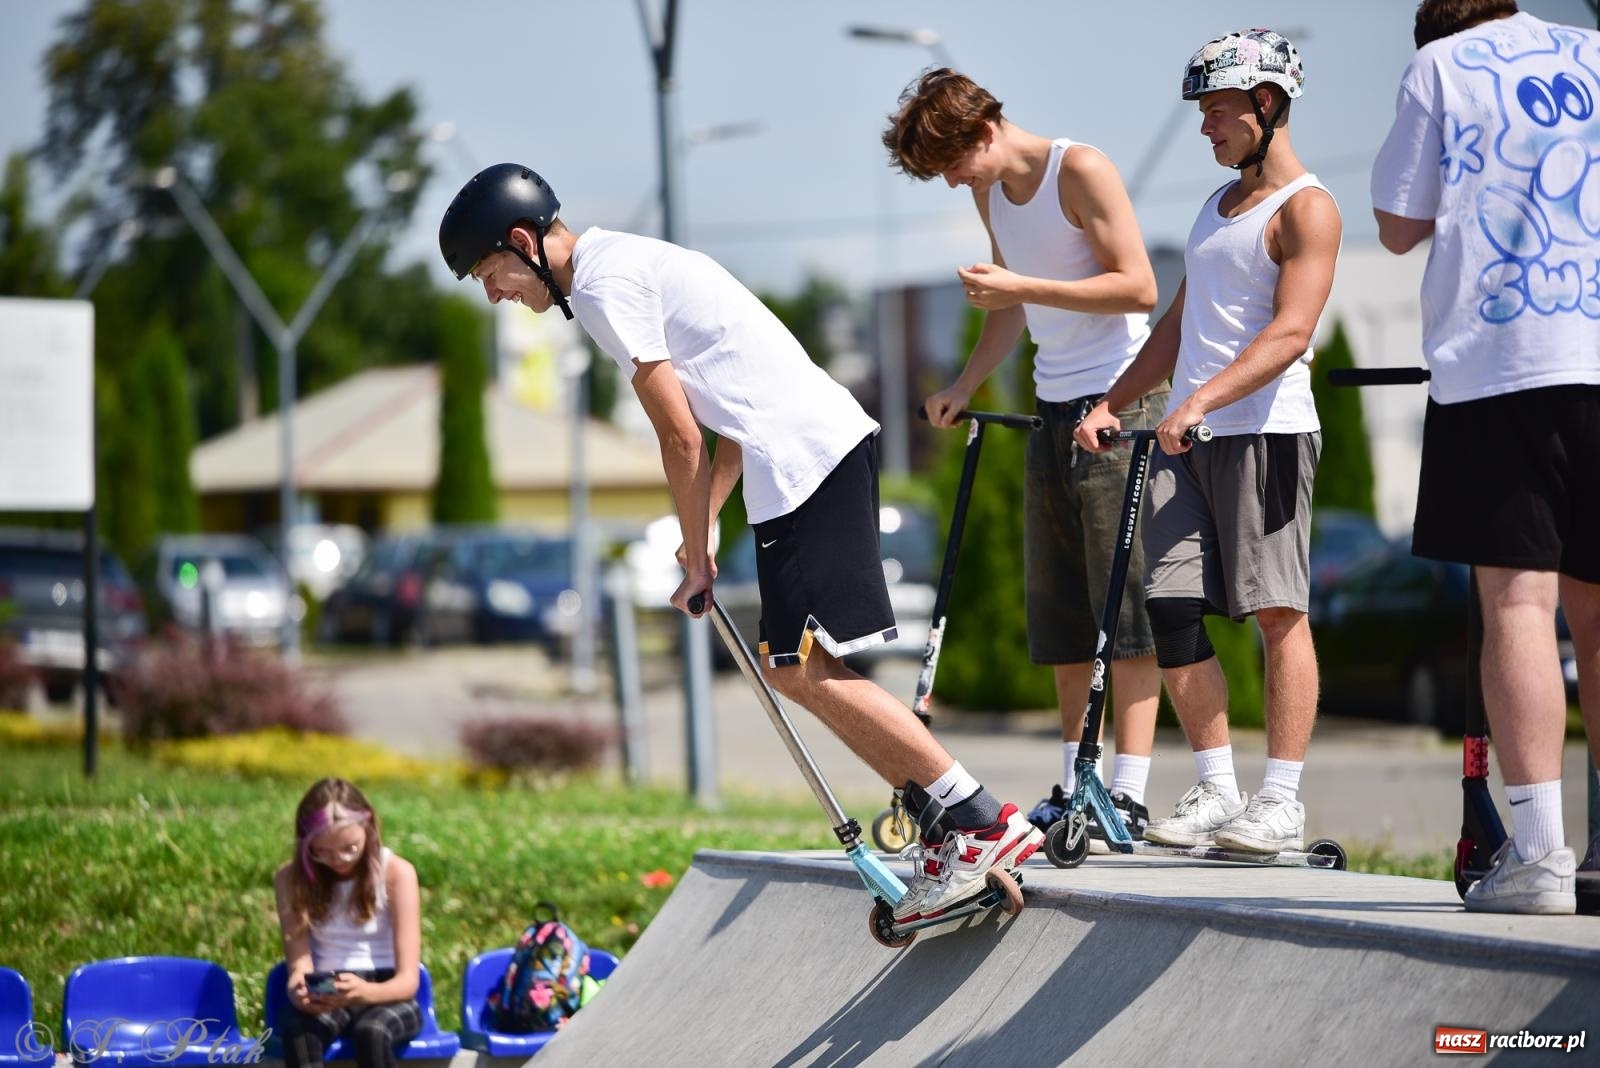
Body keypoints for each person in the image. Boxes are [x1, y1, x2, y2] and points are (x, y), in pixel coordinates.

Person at [438, 164, 1043, 924]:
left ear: (523, 244)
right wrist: (706, 542)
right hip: (800, 455)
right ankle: (950, 825)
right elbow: (726, 425)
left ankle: (981, 822)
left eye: (490, 273)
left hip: (806, 459)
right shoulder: (630, 262)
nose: (494, 293)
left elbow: (680, 438)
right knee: (796, 669)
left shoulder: (599, 285)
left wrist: (694, 551)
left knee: (799, 669)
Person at [880, 69, 1165, 844]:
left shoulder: (1081, 169)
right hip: (1051, 405)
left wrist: (1021, 282)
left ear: (983, 130)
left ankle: (1130, 793)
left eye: (950, 162)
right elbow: (1009, 307)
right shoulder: (989, 193)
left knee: (1124, 610)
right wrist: (965, 384)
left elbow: (1138, 287)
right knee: (1063, 609)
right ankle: (1079, 783)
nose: (950, 181)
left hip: (1120, 400)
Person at [1076, 28, 1342, 855]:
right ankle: (1220, 790)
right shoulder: (1216, 207)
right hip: (1183, 438)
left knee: (1275, 614)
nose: (1206, 129)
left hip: (1263, 435)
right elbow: (1180, 324)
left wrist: (1198, 402)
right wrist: (1114, 399)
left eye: (1218, 113)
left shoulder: (1308, 207)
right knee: (1173, 609)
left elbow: (1291, 333)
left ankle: (1283, 801)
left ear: (1266, 104)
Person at [1371, 0, 1600, 914]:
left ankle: (1541, 857)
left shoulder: (1442, 64)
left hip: (1502, 361)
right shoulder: (1591, 50)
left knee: (1519, 601)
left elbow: (1395, 222)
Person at [273, 778, 423, 1068]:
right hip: (328, 986)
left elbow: (408, 981)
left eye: (349, 848)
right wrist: (299, 991)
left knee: (373, 1032)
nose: (338, 860)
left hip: (388, 991)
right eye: (322, 852)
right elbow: (299, 964)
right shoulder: (291, 879)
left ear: (368, 826)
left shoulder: (397, 873)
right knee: (299, 1029)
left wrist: (368, 992)